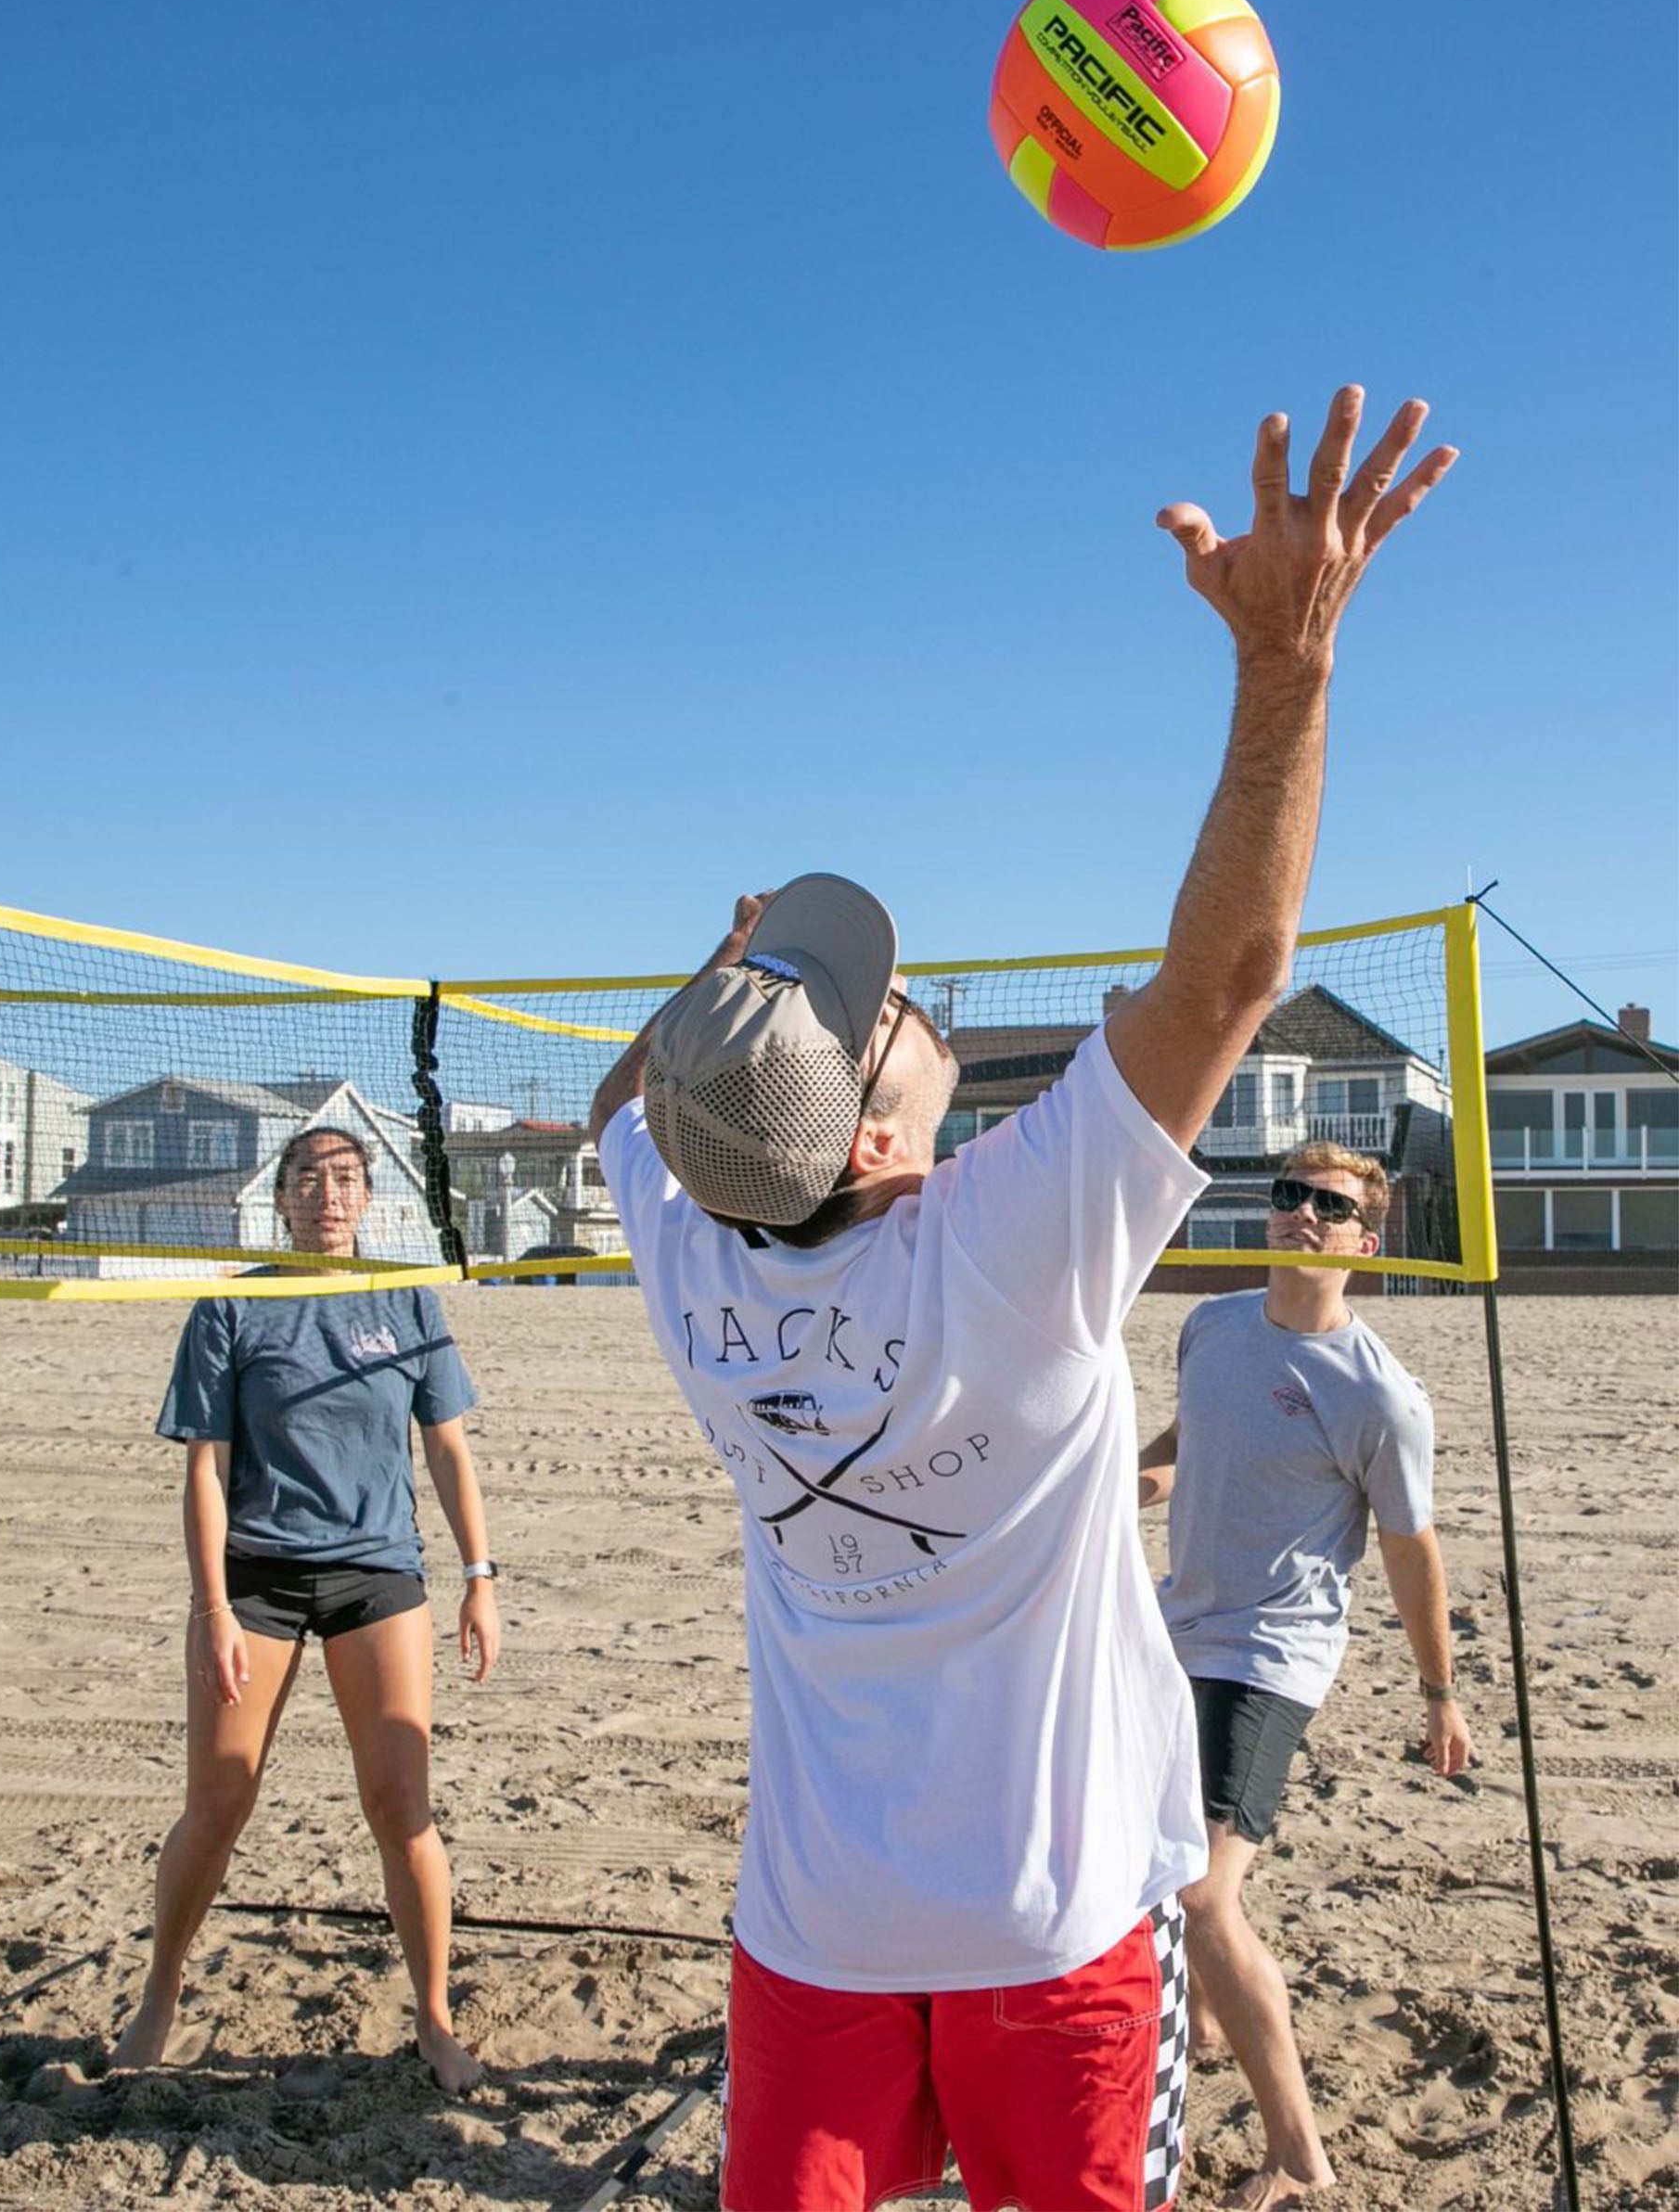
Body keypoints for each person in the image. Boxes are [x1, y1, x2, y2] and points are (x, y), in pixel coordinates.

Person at [587, 388, 1458, 2211]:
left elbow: (630, 1122)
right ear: (889, 1148)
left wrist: (721, 996)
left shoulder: (685, 1256)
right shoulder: (999, 1241)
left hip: (811, 1940)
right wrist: (1287, 659)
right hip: (1049, 1941)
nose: (911, 1013)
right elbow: (1234, 968)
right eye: (883, 1023)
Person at [112, 1125, 501, 2093]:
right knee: (218, 1802)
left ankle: (434, 2019)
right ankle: (159, 1995)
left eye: (346, 1179)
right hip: (258, 1578)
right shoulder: (232, 1307)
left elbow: (448, 1450)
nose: (328, 1195)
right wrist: (212, 1606)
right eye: (308, 1179)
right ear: (280, 1196)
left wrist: (480, 1575)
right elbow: (206, 1468)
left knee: (400, 1806)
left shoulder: (405, 1297)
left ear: (368, 1199)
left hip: (377, 1574)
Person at [1139, 1142, 1475, 2210]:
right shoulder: (1213, 1324)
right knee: (1150, 1878)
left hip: (1271, 1654)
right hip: (1169, 1630)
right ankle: (1182, 2060)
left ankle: (1297, 2152)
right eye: (1289, 1196)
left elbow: (1410, 1548)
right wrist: (1126, 1483)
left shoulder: (1382, 1396)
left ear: (1364, 1243)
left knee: (1201, 1891)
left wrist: (1439, 1694)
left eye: (1328, 1206)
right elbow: (1192, 1439)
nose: (1301, 1216)